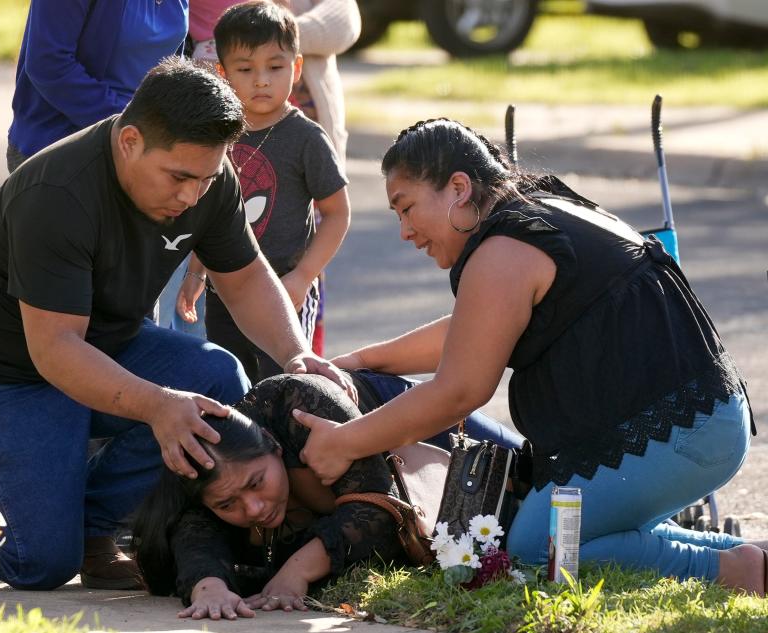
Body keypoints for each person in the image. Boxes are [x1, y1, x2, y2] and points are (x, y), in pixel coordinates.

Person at [0, 58, 354, 593]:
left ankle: (92, 525)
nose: (190, 197)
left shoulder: (207, 176)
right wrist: (157, 405)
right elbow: (55, 349)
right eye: (178, 178)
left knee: (218, 381)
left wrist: (298, 355)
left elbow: (246, 280)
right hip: (0, 375)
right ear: (130, 140)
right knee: (34, 561)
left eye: (204, 180)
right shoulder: (56, 194)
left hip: (103, 348)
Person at [293, 118, 763, 595]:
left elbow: (459, 392)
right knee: (566, 534)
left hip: (681, 429)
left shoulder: (503, 250)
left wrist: (346, 442)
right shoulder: (532, 217)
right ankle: (744, 558)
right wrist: (360, 361)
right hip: (706, 420)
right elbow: (472, 332)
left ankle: (730, 575)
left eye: (407, 207)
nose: (404, 231)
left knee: (538, 550)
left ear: (458, 188)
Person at [132, 373, 405, 619]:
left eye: (256, 482)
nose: (253, 509)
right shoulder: (205, 485)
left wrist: (297, 571)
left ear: (272, 444)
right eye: (227, 504)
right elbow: (194, 530)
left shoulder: (300, 405)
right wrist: (208, 588)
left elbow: (383, 510)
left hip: (410, 417)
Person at [169, 0, 361, 346]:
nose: (261, 81)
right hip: (225, 289)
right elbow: (209, 212)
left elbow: (338, 213)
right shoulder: (219, 137)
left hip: (285, 291)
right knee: (235, 385)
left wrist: (304, 276)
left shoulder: (307, 138)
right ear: (223, 73)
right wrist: (196, 274)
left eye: (275, 67)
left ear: (296, 67)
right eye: (245, 70)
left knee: (285, 383)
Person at [5, 0, 187, 172]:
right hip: (63, 148)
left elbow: (170, 63)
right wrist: (126, 121)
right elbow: (48, 63)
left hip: (142, 144)